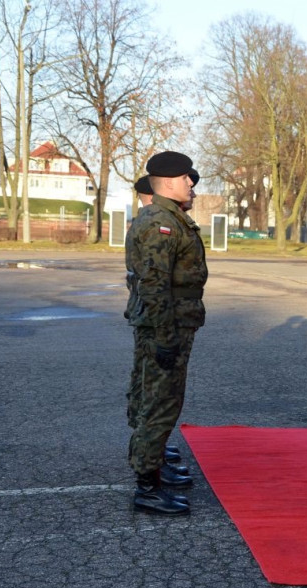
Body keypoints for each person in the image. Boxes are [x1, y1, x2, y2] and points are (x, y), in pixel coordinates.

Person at [125, 151, 208, 515]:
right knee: (160, 402)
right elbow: (155, 284)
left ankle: (153, 467)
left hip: (172, 322)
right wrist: (165, 337)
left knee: (157, 399)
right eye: (186, 177)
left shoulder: (169, 218)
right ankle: (147, 486)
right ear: (171, 181)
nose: (191, 182)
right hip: (167, 324)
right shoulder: (162, 222)